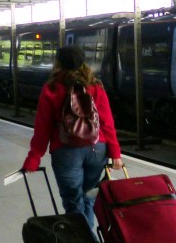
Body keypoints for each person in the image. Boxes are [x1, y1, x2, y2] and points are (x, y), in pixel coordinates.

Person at [22, 45, 122, 227]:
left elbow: (42, 128)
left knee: (73, 204)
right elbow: (107, 122)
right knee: (89, 199)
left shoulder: (51, 88)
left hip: (66, 150)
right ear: (83, 62)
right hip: (97, 149)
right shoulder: (95, 86)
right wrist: (115, 153)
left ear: (58, 63)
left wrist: (34, 158)